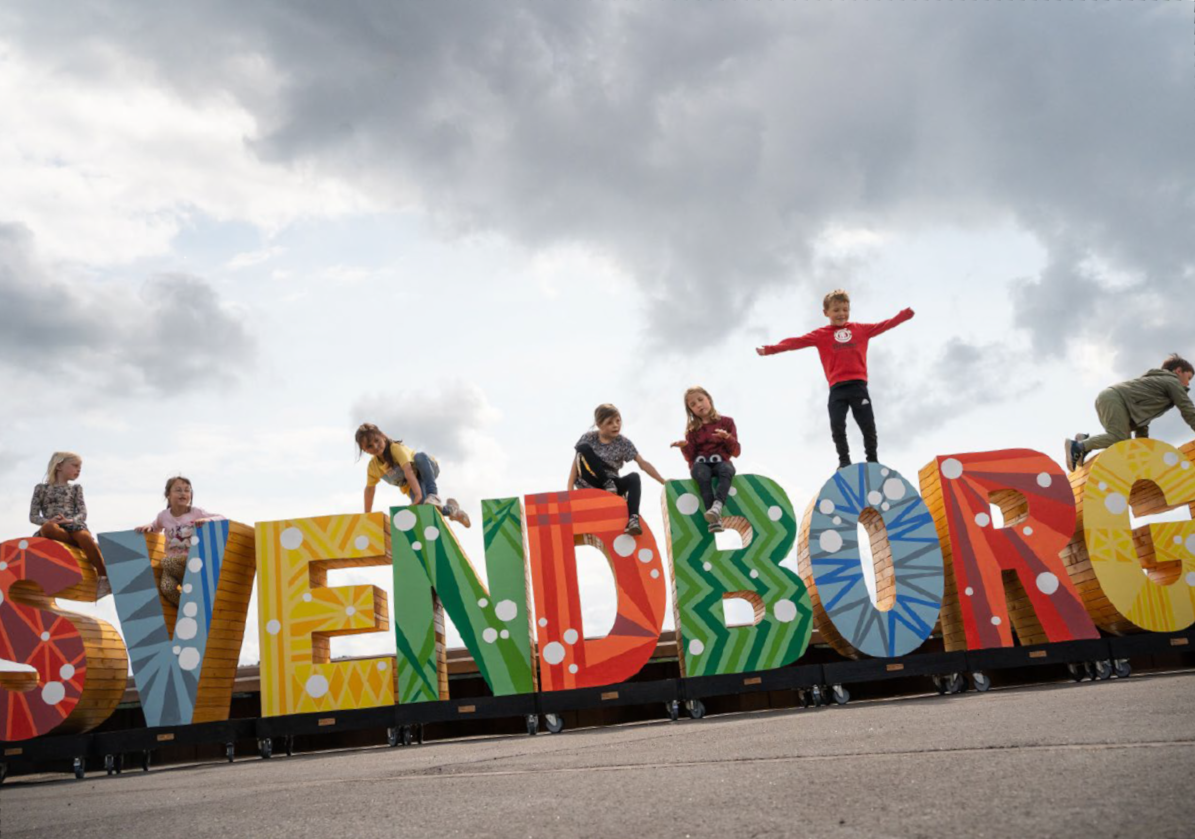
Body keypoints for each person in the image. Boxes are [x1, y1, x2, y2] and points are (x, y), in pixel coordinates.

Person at [757, 288, 913, 469]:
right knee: (837, 426)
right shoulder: (821, 334)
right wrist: (771, 349)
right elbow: (795, 342)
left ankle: (873, 460)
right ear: (826, 313)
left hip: (858, 386)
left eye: (845, 309)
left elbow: (885, 324)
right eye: (837, 310)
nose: (842, 314)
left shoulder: (860, 330)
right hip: (837, 389)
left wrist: (905, 315)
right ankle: (844, 461)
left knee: (868, 425)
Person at [1065, 353, 1195, 471]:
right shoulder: (1172, 381)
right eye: (1188, 377)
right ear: (1178, 371)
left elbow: (1142, 420)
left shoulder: (1157, 384)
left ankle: (1084, 443)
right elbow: (1187, 409)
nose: (1188, 383)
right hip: (1115, 399)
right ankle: (1077, 446)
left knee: (1125, 446)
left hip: (1113, 399)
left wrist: (1143, 449)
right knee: (1119, 438)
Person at [568, 403, 666, 536]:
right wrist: (569, 492)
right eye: (609, 422)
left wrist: (662, 480)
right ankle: (606, 483)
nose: (615, 425)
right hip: (590, 480)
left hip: (612, 485)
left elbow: (642, 463)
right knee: (583, 448)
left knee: (634, 477)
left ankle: (633, 519)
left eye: (618, 421)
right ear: (599, 424)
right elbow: (576, 464)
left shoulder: (623, 443)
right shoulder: (589, 438)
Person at [355, 422, 471, 527]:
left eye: (377, 441)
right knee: (424, 509)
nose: (375, 446)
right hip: (413, 485)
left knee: (419, 457)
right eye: (369, 446)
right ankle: (452, 510)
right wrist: (367, 515)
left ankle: (433, 495)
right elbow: (370, 489)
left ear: (383, 437)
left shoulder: (395, 448)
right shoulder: (373, 467)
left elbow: (408, 470)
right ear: (364, 450)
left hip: (426, 469)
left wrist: (418, 495)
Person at [29, 451, 110, 597]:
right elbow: (33, 516)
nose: (78, 470)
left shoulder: (76, 488)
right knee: (48, 528)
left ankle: (104, 577)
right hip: (53, 528)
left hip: (73, 526)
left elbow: (83, 513)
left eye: (80, 467)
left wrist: (70, 520)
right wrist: (49, 521)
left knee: (84, 535)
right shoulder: (41, 489)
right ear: (59, 466)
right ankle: (86, 546)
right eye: (75, 466)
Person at [134, 476, 224, 605]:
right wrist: (149, 527)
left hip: (190, 559)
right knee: (167, 588)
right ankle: (187, 606)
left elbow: (221, 517)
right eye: (178, 490)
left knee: (167, 562)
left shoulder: (196, 512)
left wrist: (206, 520)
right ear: (168, 495)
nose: (183, 493)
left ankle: (194, 583)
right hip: (172, 565)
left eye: (187, 490)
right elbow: (155, 527)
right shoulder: (163, 516)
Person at [671, 386, 740, 533]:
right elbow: (690, 457)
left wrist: (727, 437)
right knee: (702, 473)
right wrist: (684, 447)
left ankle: (717, 506)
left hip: (722, 462)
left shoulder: (727, 422)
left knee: (726, 469)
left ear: (709, 399)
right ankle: (713, 517)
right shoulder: (692, 430)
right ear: (691, 411)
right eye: (693, 405)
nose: (698, 405)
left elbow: (736, 452)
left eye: (700, 400)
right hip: (701, 464)